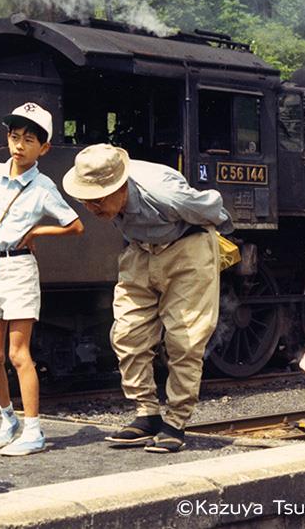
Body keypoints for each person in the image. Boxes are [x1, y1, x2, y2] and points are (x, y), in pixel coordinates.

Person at [62, 143, 231, 453]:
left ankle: (176, 421)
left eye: (97, 201)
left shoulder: (166, 193)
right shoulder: (103, 196)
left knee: (185, 338)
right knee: (128, 333)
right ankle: (147, 414)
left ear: (120, 187)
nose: (92, 209)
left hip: (186, 248)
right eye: (85, 201)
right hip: (140, 250)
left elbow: (214, 209)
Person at [0, 102, 83, 456]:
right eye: (14, 136)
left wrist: (39, 230)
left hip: (20, 270)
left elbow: (75, 225)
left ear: (44, 148)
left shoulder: (43, 188)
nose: (19, 145)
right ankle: (8, 419)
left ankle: (34, 430)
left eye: (29, 139)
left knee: (18, 353)